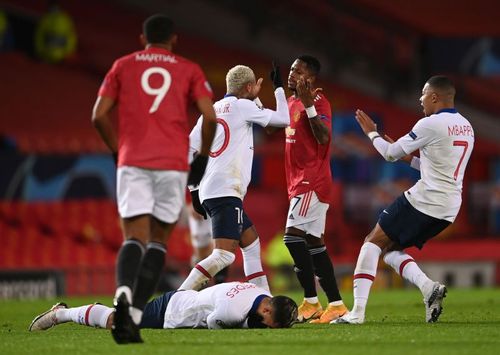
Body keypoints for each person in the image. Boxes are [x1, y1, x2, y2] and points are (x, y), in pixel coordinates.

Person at [91, 14, 217, 343]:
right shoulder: (188, 68)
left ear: (141, 39)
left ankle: (122, 296)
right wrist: (201, 158)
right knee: (158, 241)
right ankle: (131, 317)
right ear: (174, 39)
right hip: (172, 164)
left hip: (133, 160)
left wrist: (117, 151)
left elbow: (99, 115)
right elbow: (209, 115)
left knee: (133, 237)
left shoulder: (122, 65)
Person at [333, 75, 474, 325]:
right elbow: (436, 168)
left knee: (372, 242)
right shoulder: (466, 126)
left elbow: (388, 154)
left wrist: (371, 134)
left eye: (423, 94)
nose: (420, 100)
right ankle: (429, 288)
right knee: (390, 248)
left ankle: (357, 313)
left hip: (426, 199)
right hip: (449, 208)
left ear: (434, 97)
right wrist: (409, 159)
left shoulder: (429, 124)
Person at [178, 64, 290, 292]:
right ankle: (177, 297)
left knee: (251, 243)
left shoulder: (211, 110)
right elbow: (283, 119)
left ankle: (262, 296)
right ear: (249, 87)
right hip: (226, 190)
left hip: (210, 188)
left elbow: (188, 150)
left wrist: (194, 190)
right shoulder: (243, 106)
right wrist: (278, 88)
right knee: (223, 256)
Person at [278, 55, 348, 323]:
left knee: (292, 237)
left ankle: (309, 300)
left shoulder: (319, 101)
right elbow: (275, 128)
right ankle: (337, 305)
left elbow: (323, 136)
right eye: (291, 69)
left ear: (311, 78)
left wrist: (308, 105)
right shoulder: (290, 101)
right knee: (314, 243)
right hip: (297, 182)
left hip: (311, 180)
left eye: (298, 71)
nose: (291, 74)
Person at [28, 282, 298, 331]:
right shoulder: (232, 312)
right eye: (271, 325)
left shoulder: (263, 294)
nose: (267, 328)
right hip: (173, 310)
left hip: (185, 298)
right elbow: (216, 324)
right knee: (117, 324)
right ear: (266, 310)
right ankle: (61, 314)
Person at [185, 200, 229, 284]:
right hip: (200, 205)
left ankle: (220, 285)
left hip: (221, 204)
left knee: (222, 248)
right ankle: (196, 288)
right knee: (201, 254)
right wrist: (192, 203)